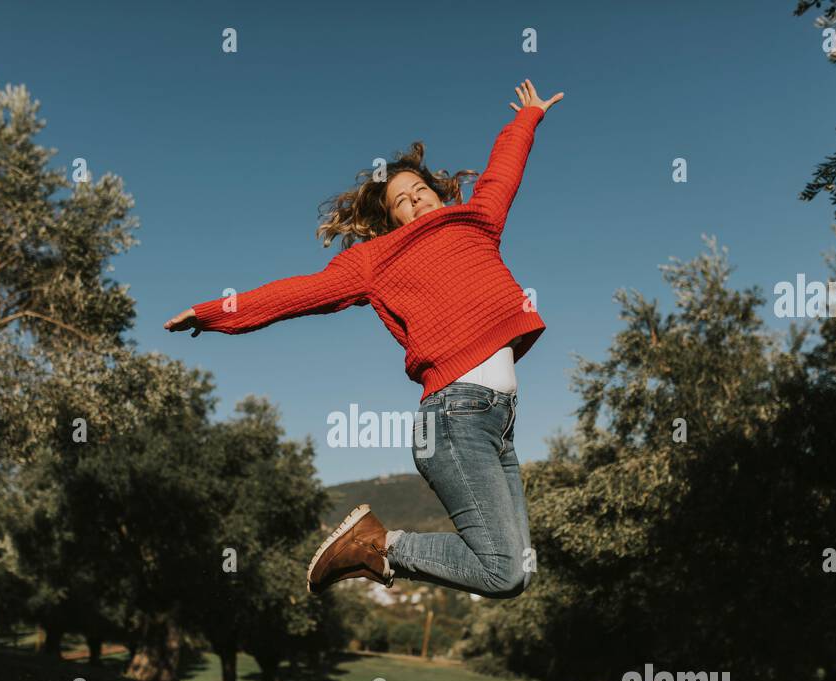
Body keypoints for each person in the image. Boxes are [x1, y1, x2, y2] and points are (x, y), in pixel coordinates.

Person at [166, 79, 564, 598]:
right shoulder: (377, 259)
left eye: (420, 189)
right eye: (402, 199)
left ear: (437, 192)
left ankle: (377, 547)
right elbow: (300, 293)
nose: (416, 199)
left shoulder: (475, 221)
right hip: (453, 415)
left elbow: (503, 174)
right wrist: (212, 312)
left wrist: (527, 117)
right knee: (503, 569)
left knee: (519, 572)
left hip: (497, 420)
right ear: (390, 217)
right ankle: (376, 545)